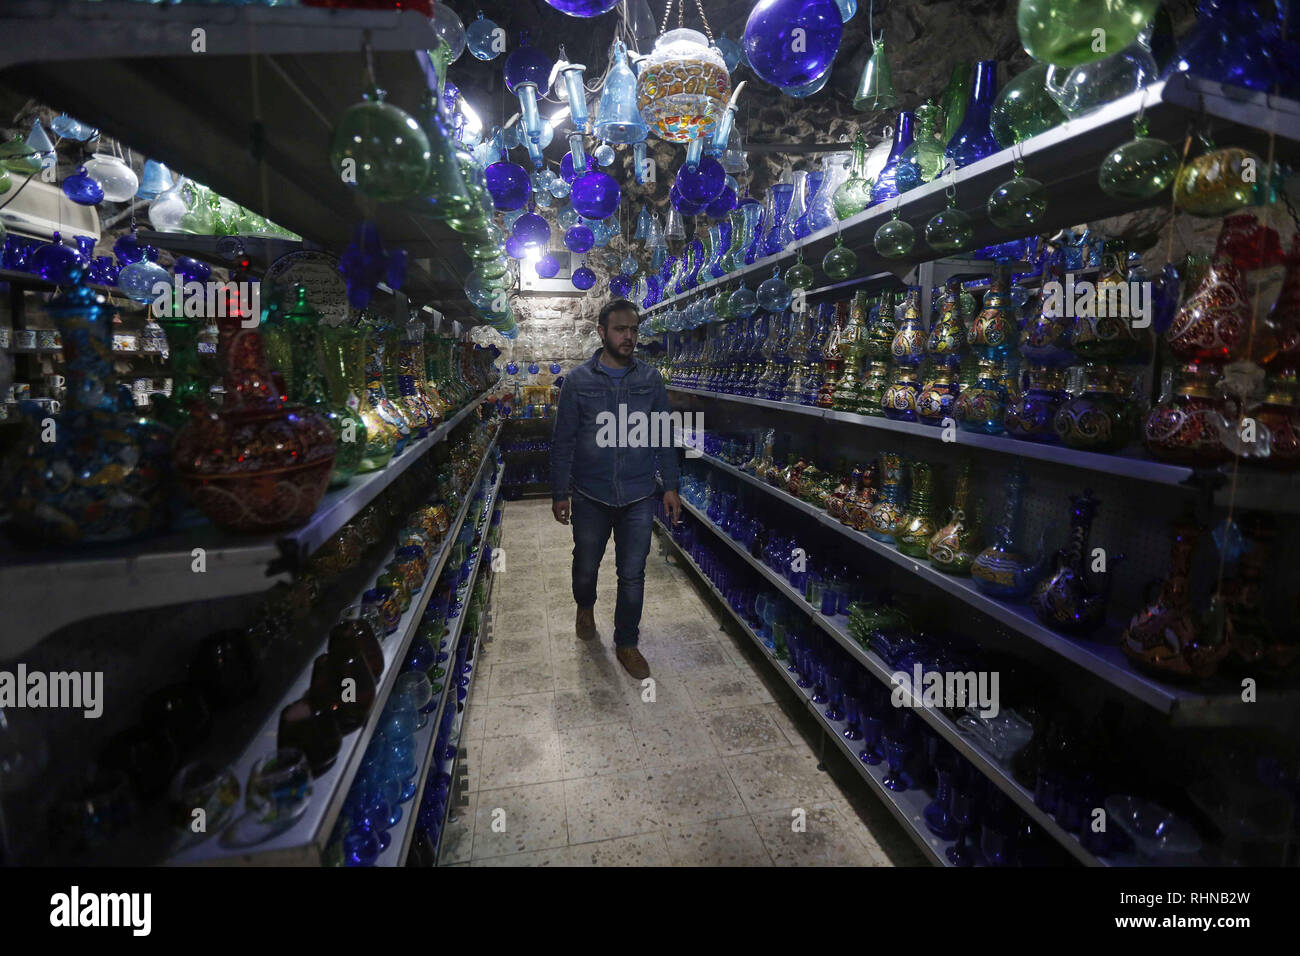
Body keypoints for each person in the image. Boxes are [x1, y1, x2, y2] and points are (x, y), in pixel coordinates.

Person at [550, 299, 682, 679]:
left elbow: (662, 435)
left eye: (634, 330)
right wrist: (561, 492)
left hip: (639, 493)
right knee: (586, 564)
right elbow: (563, 442)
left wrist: (670, 486)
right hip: (591, 493)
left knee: (632, 573)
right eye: (621, 330)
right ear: (602, 333)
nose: (629, 337)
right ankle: (585, 605)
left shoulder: (650, 379)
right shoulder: (578, 381)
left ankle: (626, 642)